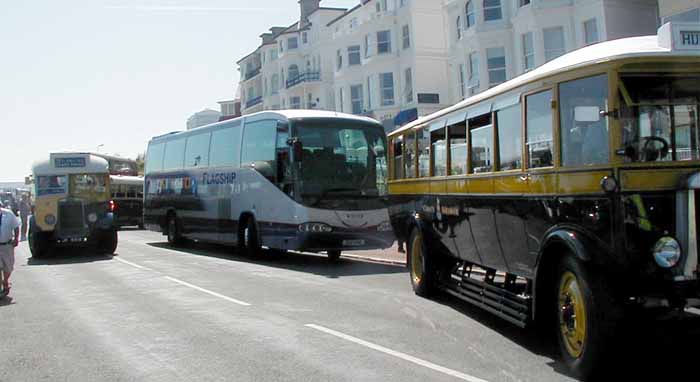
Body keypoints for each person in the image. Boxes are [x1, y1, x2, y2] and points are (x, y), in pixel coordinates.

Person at [0, 201, 21, 297]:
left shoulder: (8, 214)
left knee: (8, 267)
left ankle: (5, 281)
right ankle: (2, 288)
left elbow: (16, 227)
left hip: (7, 246)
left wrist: (16, 239)